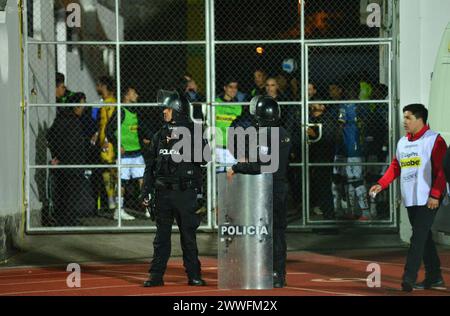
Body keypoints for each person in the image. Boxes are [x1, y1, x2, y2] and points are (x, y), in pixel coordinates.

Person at [370, 103, 447, 292]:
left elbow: (443, 171)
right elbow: (396, 166)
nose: (404, 121)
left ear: (420, 119)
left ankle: (408, 278)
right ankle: (435, 276)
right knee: (424, 237)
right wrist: (381, 183)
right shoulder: (403, 142)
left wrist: (435, 195)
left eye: (408, 117)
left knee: (417, 238)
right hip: (410, 198)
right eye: (404, 117)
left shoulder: (435, 140)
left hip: (428, 198)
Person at [141, 89, 210, 287]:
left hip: (185, 192)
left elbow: (204, 158)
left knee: (188, 236)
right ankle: (156, 275)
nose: (164, 112)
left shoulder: (194, 131)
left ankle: (194, 274)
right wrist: (146, 191)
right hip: (163, 193)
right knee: (161, 238)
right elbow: (150, 167)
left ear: (178, 110)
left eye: (167, 109)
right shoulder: (160, 134)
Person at [227, 95, 291, 288]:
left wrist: (237, 167)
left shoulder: (266, 135)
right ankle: (278, 273)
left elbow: (260, 166)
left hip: (267, 187)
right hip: (281, 186)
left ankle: (270, 271)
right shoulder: (283, 132)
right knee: (277, 232)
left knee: (265, 231)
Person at [46, 93, 96, 226]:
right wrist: (56, 155)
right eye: (81, 104)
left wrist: (89, 142)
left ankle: (68, 218)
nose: (82, 108)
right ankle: (65, 218)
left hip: (76, 161)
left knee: (72, 191)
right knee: (66, 191)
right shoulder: (65, 119)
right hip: (67, 161)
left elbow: (78, 141)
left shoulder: (76, 119)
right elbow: (52, 137)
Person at [107, 86, 152, 220]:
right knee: (122, 182)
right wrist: (117, 145)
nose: (137, 95)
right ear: (127, 96)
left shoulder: (134, 111)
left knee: (143, 181)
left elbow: (138, 127)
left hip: (136, 152)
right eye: (134, 93)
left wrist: (148, 137)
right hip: (124, 154)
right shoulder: (120, 111)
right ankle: (118, 211)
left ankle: (149, 209)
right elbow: (109, 130)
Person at [96, 76, 118, 211]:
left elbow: (111, 125)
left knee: (111, 168)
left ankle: (115, 198)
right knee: (106, 169)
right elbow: (102, 124)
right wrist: (97, 135)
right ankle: (111, 198)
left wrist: (105, 140)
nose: (97, 87)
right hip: (103, 142)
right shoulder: (104, 103)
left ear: (104, 86)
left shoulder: (111, 103)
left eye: (99, 85)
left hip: (108, 143)